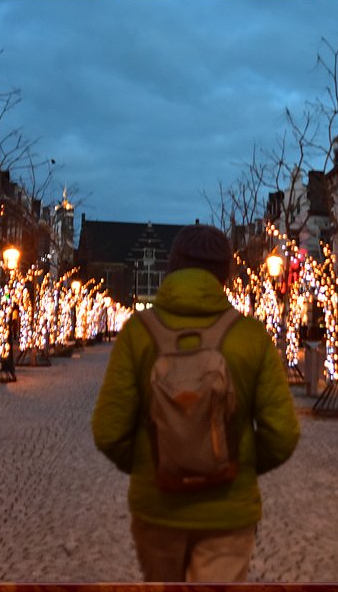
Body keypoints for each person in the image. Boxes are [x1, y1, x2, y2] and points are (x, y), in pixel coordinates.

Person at [91, 224, 300, 583]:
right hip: (228, 513)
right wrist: (235, 463)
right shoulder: (252, 336)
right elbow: (282, 433)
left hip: (157, 509)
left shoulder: (137, 333)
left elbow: (108, 431)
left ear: (172, 267)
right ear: (224, 274)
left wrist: (153, 463)